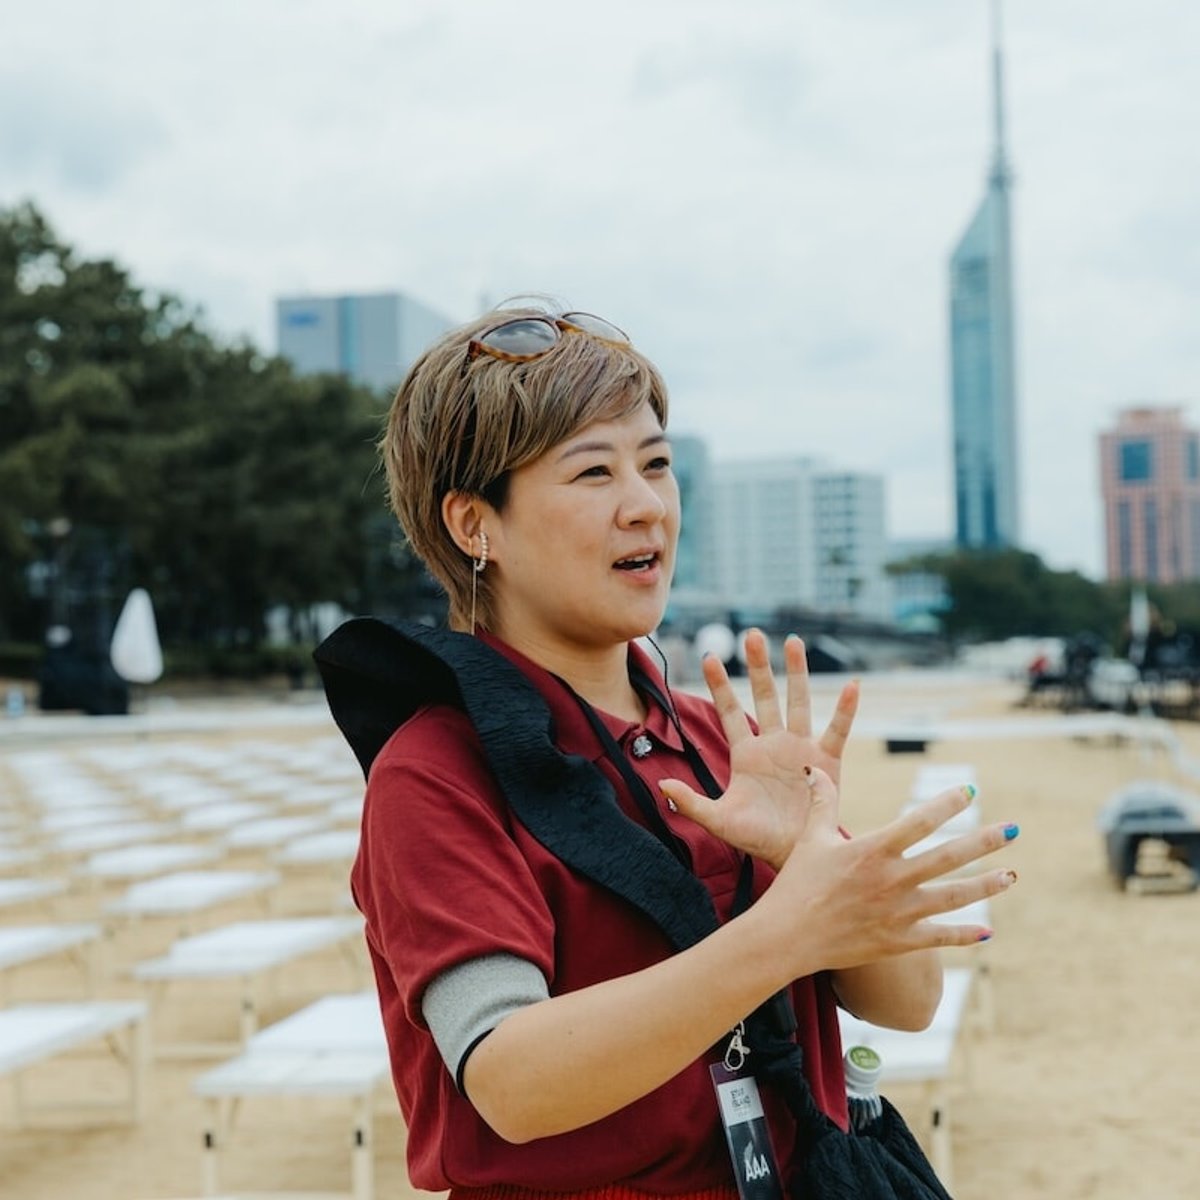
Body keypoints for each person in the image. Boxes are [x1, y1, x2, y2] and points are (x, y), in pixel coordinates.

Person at [314, 300, 1019, 1199]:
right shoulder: (436, 772)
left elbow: (906, 1003)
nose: (644, 505)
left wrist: (816, 847)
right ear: (473, 525)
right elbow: (512, 1081)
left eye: (656, 465)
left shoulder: (719, 734)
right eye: (593, 473)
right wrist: (782, 930)